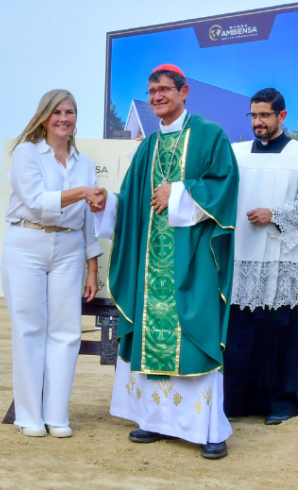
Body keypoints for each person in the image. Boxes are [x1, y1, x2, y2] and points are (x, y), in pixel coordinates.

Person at [92, 64, 238, 459]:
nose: (157, 96)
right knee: (150, 336)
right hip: (149, 266)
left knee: (195, 335)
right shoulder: (147, 147)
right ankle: (154, 421)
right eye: (152, 90)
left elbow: (224, 188)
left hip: (194, 260)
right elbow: (132, 202)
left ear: (183, 91)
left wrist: (179, 192)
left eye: (164, 89)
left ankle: (209, 430)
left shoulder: (209, 135)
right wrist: (109, 204)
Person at [1, 90, 103, 437]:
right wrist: (83, 192)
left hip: (70, 248)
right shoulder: (26, 153)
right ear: (44, 117)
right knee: (29, 329)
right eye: (56, 112)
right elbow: (35, 201)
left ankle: (57, 415)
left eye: (69, 112)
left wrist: (92, 268)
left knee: (67, 331)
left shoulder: (85, 163)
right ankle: (29, 416)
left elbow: (88, 221)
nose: (63, 118)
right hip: (27, 243)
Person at [225, 87, 298, 424]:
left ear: (281, 116)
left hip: (281, 259)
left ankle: (283, 402)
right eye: (253, 115)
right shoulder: (236, 153)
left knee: (279, 332)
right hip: (242, 254)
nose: (258, 122)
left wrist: (275, 214)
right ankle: (236, 400)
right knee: (240, 333)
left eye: (265, 115)